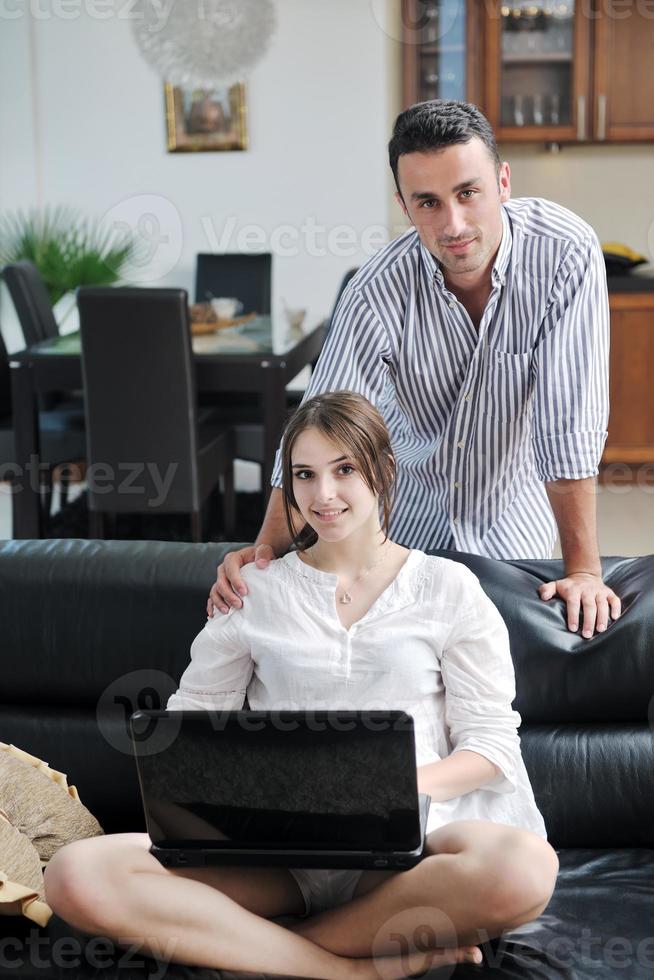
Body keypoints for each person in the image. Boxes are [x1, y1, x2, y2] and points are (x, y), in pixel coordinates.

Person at [44, 392, 558, 980]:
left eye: (344, 470)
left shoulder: (449, 587)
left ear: (384, 471)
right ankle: (348, 970)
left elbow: (490, 746)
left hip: (412, 854)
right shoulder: (253, 591)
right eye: (305, 475)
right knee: (74, 873)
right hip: (277, 858)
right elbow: (186, 726)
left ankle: (265, 951)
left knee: (522, 869)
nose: (324, 496)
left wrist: (381, 788)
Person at [209, 100, 621, 639]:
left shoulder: (566, 254)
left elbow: (567, 424)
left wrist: (584, 571)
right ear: (405, 206)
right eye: (428, 202)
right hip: (407, 531)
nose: (453, 224)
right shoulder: (376, 290)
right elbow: (319, 430)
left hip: (515, 532)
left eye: (468, 193)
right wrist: (265, 553)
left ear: (502, 181)